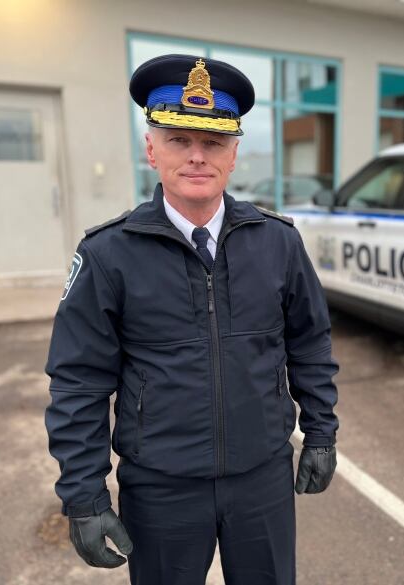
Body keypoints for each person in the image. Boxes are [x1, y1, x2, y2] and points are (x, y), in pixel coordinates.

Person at [44, 54, 339, 585]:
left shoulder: (278, 242)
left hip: (263, 479)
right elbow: (78, 382)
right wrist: (84, 495)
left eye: (214, 143)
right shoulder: (110, 254)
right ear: (150, 149)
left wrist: (321, 432)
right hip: (161, 489)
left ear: (234, 155)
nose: (197, 157)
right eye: (180, 140)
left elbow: (310, 342)